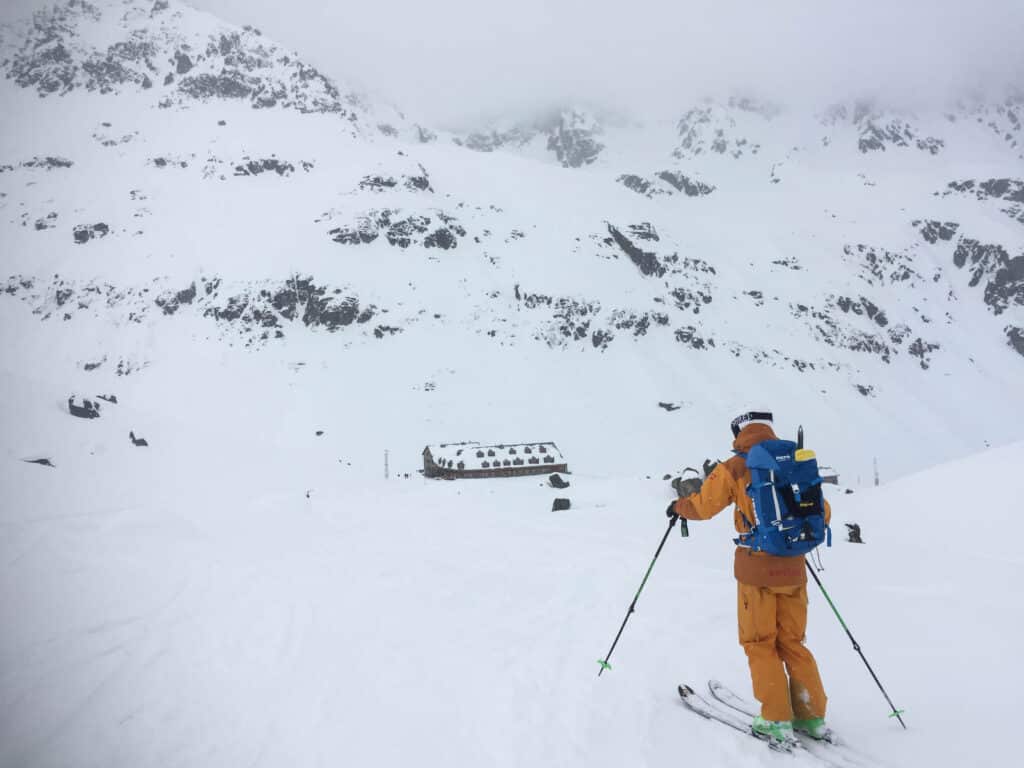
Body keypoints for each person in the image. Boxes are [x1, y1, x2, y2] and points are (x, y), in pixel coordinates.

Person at [668, 410, 831, 745]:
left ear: (739, 435)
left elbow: (703, 506)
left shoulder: (735, 466)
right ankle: (811, 716)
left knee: (760, 644)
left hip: (756, 570)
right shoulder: (793, 462)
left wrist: (677, 507)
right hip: (794, 567)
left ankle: (775, 720)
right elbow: (823, 512)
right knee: (793, 643)